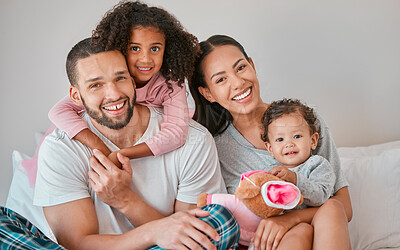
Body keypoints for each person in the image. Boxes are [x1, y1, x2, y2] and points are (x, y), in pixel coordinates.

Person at [30, 37, 239, 249]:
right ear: (76, 96)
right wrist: (155, 232)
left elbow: (192, 240)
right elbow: (77, 243)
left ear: (133, 81)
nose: (113, 94)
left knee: (220, 222)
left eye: (120, 78)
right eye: (96, 85)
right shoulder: (61, 148)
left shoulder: (194, 142)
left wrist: (125, 200)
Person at [189, 35, 352, 250]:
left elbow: (344, 207)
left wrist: (289, 220)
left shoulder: (303, 122)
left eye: (240, 68)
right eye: (221, 79)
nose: (238, 83)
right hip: (270, 244)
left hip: (323, 232)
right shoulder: (213, 148)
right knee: (301, 232)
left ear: (252, 65)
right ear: (207, 93)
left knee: (324, 212)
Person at [25, 0, 198, 172]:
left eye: (155, 49)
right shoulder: (109, 83)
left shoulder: (170, 84)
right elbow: (58, 111)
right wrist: (100, 148)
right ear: (120, 47)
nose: (145, 59)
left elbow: (176, 134)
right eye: (135, 48)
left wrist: (122, 154)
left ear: (167, 50)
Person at [261, 98, 335, 209]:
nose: (289, 144)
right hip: (285, 224)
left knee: (304, 227)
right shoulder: (272, 173)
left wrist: (295, 179)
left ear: (313, 140)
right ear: (270, 149)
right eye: (280, 139)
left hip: (314, 219)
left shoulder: (317, 165)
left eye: (297, 136)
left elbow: (322, 196)